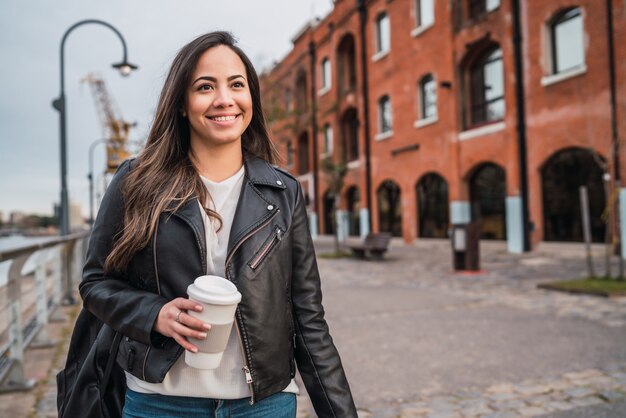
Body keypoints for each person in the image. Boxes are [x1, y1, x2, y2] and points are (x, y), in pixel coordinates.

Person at [79, 31, 357, 417]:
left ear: (251, 99)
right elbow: (95, 283)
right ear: (181, 104)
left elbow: (307, 318)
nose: (224, 99)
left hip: (264, 405)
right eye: (205, 86)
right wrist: (154, 314)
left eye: (237, 84)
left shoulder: (282, 192)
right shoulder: (135, 181)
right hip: (158, 402)